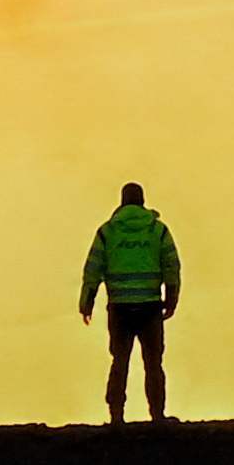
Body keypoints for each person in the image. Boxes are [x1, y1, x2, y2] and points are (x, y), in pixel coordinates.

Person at [77, 180, 181, 423]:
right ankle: (157, 415)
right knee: (153, 363)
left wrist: (87, 302)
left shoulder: (107, 232)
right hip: (150, 307)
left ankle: (116, 417)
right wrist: (172, 298)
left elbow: (93, 268)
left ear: (122, 202)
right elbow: (171, 265)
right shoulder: (158, 231)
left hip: (120, 308)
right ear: (143, 201)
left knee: (119, 361)